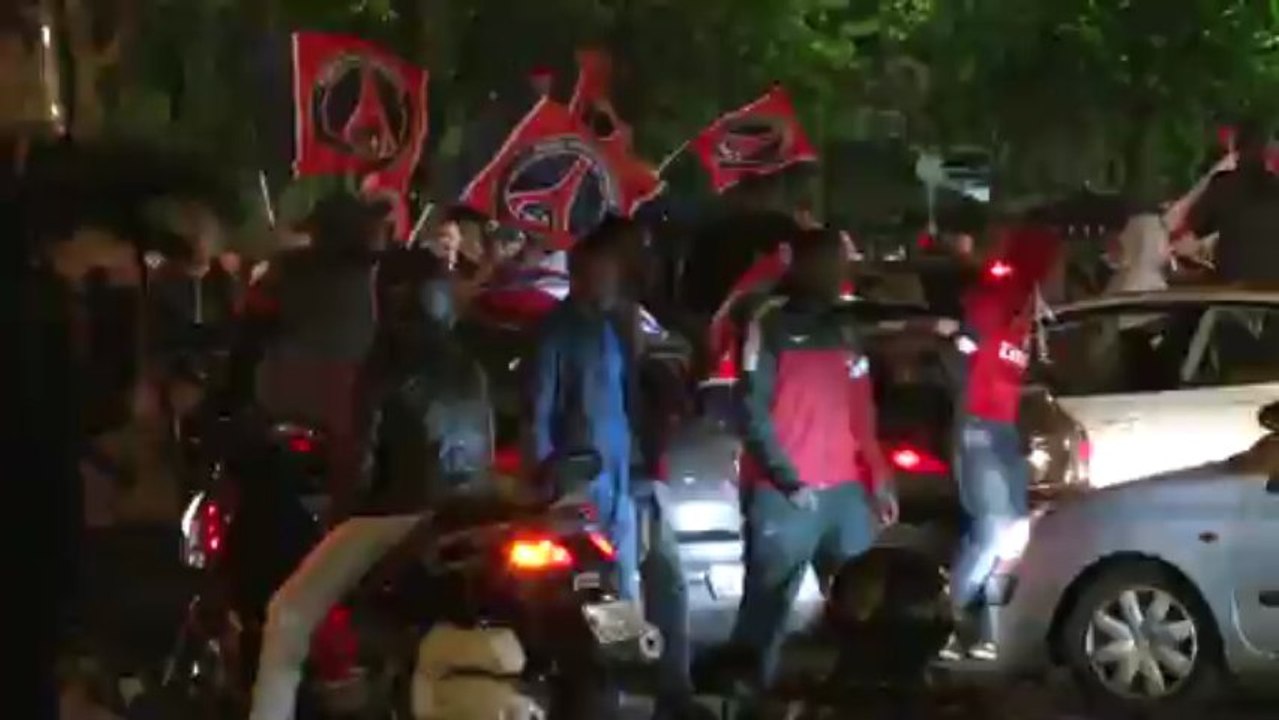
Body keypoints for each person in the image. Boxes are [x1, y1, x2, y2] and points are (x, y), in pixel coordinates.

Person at [249, 257, 496, 720]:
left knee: (288, 615)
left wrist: (335, 519)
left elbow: (358, 464)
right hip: (469, 514)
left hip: (396, 517)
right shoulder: (470, 367)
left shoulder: (384, 368)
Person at [728, 227, 898, 697]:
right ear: (801, 266)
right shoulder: (768, 324)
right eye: (829, 264)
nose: (837, 274)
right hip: (786, 499)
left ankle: (857, 699)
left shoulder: (845, 329)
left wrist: (878, 476)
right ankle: (745, 702)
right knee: (765, 615)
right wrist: (786, 479)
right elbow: (751, 410)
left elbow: (861, 410)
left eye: (840, 265)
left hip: (845, 494)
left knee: (863, 608)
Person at [252, 193, 389, 521]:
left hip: (280, 391)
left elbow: (253, 327)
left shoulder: (284, 267)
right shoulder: (377, 275)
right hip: (347, 400)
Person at [528, 219, 642, 601]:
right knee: (589, 584)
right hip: (578, 478)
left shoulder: (610, 327)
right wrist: (547, 477)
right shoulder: (556, 331)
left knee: (624, 580)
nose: (611, 283)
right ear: (580, 276)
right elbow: (539, 408)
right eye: (604, 274)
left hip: (617, 475)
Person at [943, 236, 1039, 658]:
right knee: (992, 531)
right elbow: (957, 358)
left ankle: (985, 633)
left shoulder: (1026, 316)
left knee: (1008, 533)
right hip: (978, 429)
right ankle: (945, 624)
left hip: (1004, 432)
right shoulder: (991, 305)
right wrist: (967, 415)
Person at [1187, 118, 1279, 285]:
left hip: (1233, 289)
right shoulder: (1274, 186)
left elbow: (1194, 225)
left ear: (1234, 148)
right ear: (1267, 150)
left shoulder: (1223, 185)